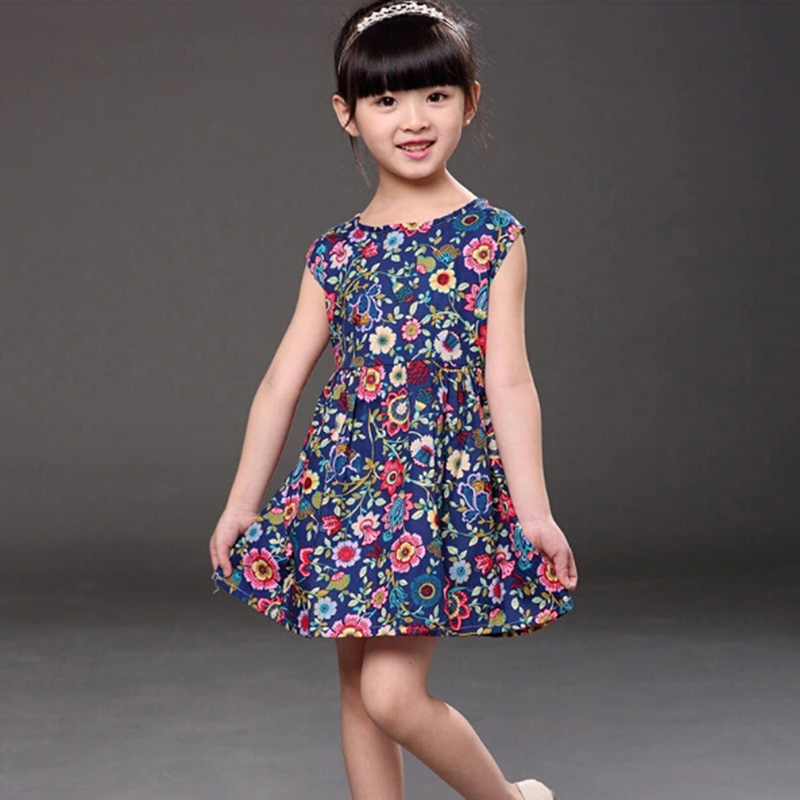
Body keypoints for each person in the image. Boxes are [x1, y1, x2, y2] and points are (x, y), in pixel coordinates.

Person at [209, 2, 578, 798]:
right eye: (386, 100)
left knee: (391, 694)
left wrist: (535, 511)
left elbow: (509, 381)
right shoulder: (336, 252)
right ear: (347, 113)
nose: (413, 120)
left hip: (430, 494)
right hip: (348, 490)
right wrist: (242, 502)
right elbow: (280, 382)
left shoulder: (491, 238)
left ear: (469, 102)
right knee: (357, 689)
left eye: (435, 95)